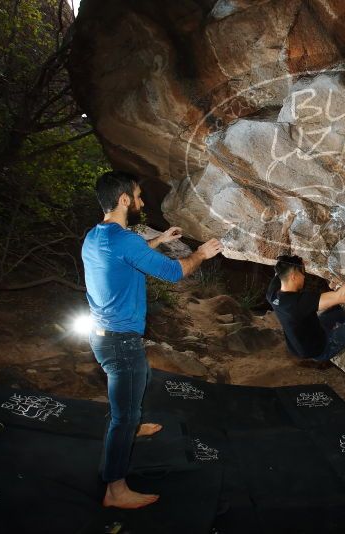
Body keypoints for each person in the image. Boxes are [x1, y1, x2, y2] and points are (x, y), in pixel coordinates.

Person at [81, 170, 223, 509]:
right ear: (124, 200)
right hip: (119, 340)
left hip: (101, 335)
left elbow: (126, 254)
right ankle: (115, 490)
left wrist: (159, 240)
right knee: (122, 415)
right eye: (139, 196)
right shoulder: (124, 240)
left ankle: (131, 425)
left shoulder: (95, 235)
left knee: (139, 378)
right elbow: (174, 272)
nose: (142, 202)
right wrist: (201, 253)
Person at [266, 251, 345, 361]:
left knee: (335, 311)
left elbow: (279, 270)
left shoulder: (273, 294)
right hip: (322, 348)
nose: (304, 276)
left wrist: (296, 261)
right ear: (293, 276)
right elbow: (342, 296)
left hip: (305, 341)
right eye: (302, 273)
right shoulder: (299, 303)